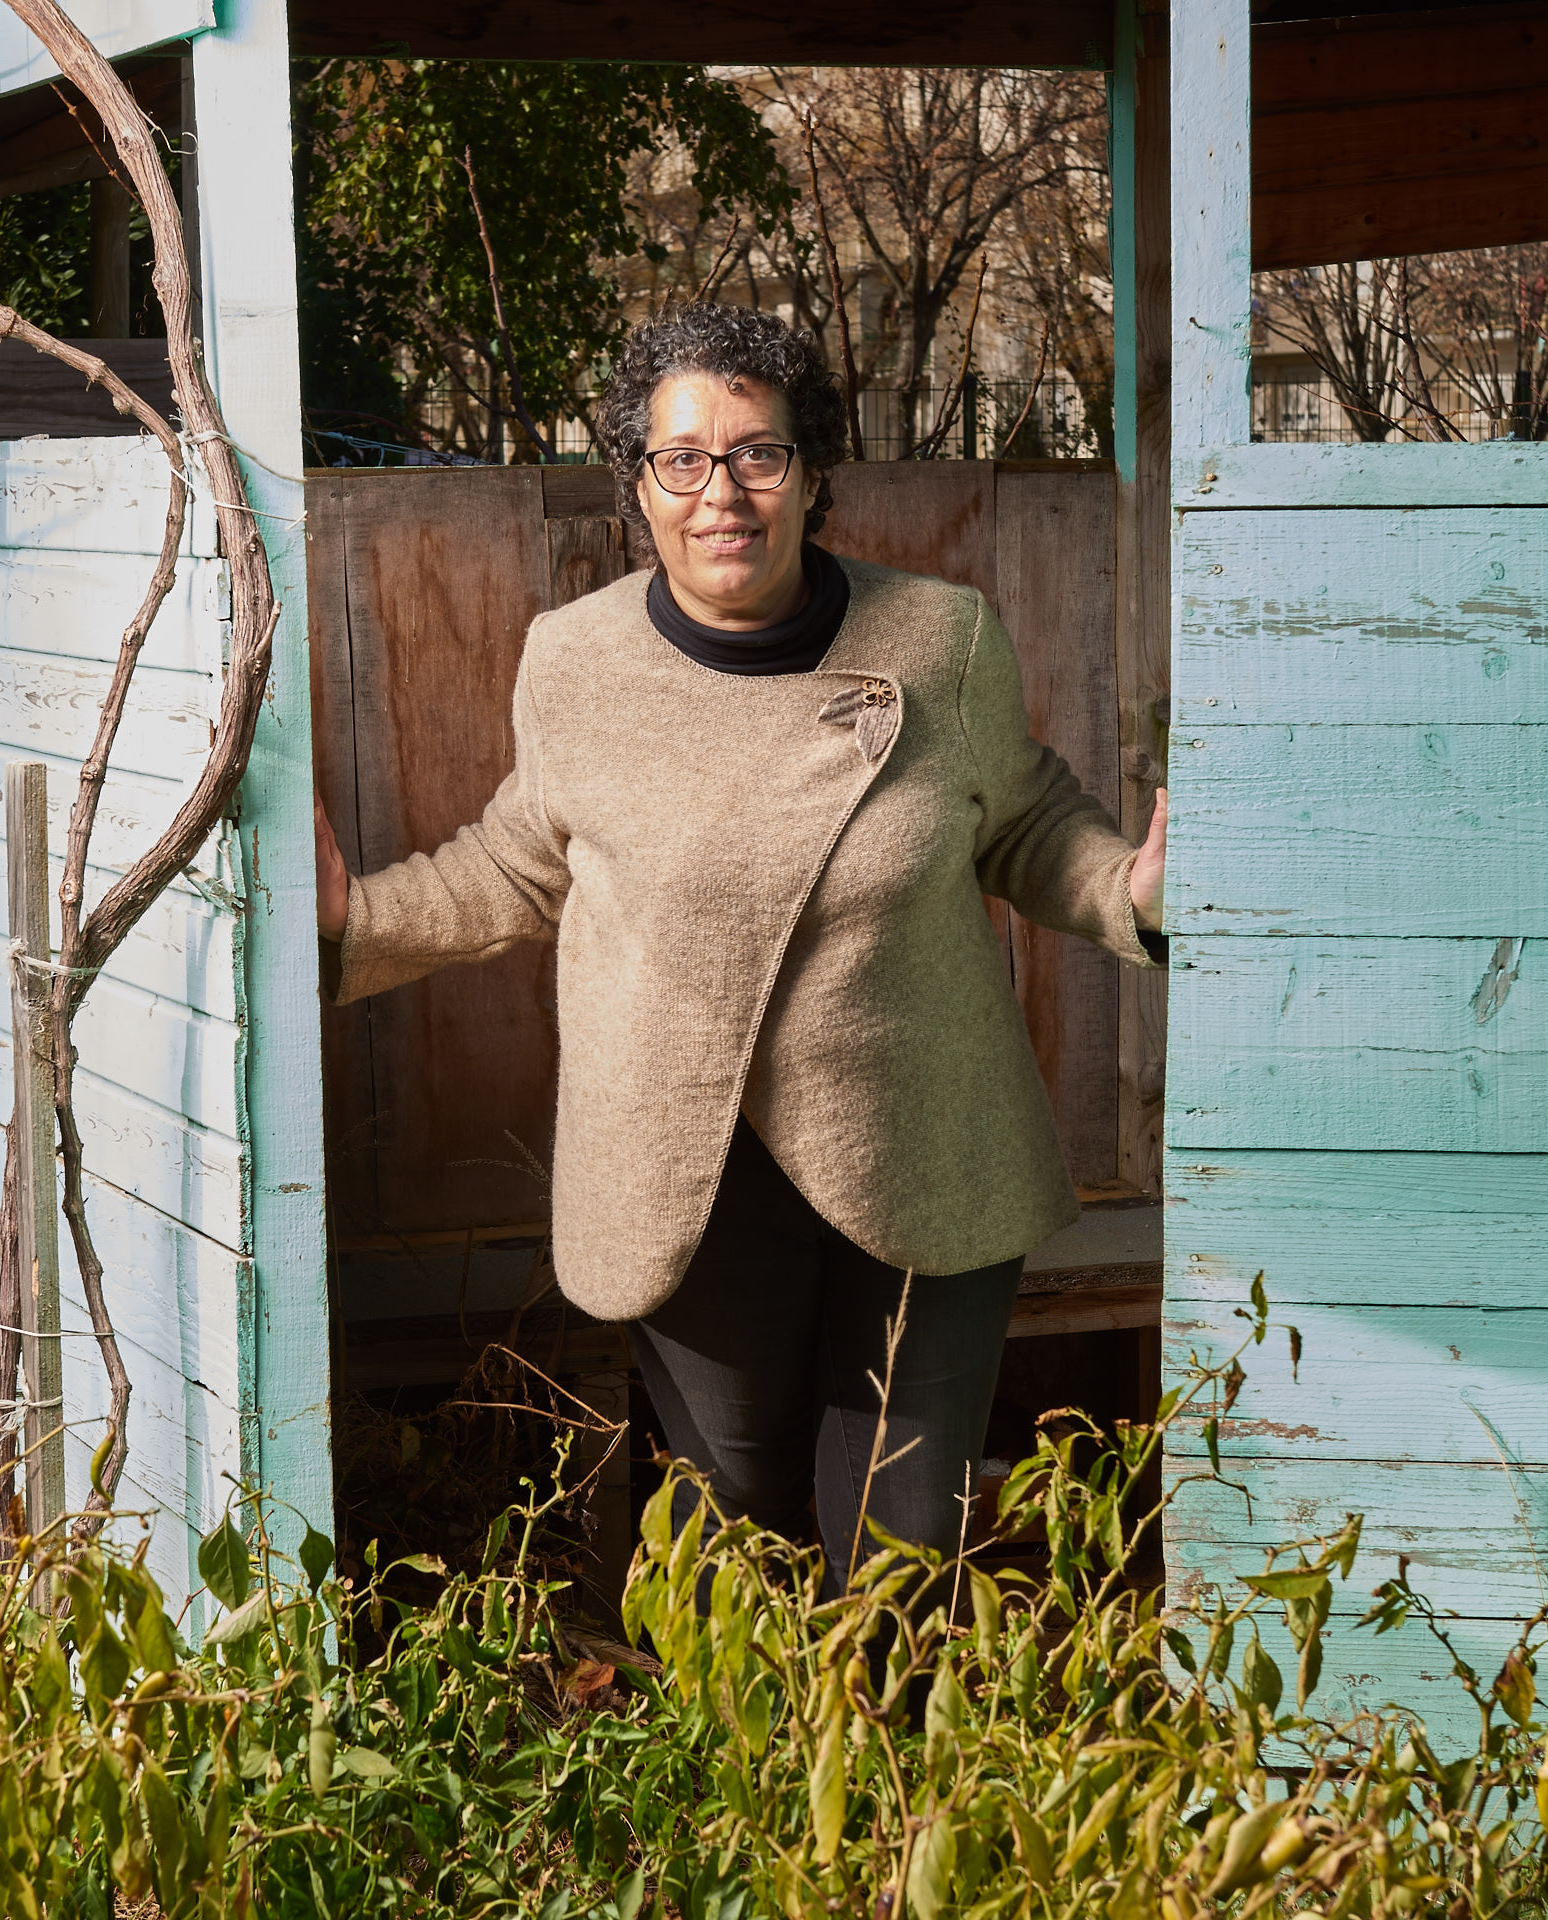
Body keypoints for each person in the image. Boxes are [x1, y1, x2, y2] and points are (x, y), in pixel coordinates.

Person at [313, 303, 1167, 1595]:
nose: (725, 493)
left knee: (899, 1553)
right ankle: (758, 1791)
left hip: (922, 1150)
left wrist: (1131, 892)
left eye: (760, 454)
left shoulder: (942, 642)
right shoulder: (575, 663)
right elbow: (516, 861)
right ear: (640, 487)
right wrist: (351, 930)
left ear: (814, 474)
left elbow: (1030, 822)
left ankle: (901, 1794)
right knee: (743, 1528)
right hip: (690, 1182)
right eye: (684, 459)